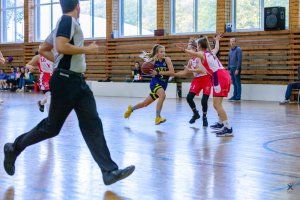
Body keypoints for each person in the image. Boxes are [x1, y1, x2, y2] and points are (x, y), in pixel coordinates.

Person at [3, 0, 135, 186]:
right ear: (78, 7)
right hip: (65, 81)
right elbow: (62, 46)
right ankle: (13, 148)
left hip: (77, 81)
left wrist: (58, 59)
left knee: (92, 123)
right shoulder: (67, 21)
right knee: (51, 128)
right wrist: (86, 49)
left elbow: (43, 49)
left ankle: (109, 171)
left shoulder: (63, 24)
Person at [178, 34, 233, 137]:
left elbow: (193, 53)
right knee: (217, 104)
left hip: (219, 77)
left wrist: (185, 50)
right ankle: (221, 124)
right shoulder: (211, 52)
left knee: (217, 105)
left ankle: (228, 128)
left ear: (199, 46)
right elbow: (217, 47)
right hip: (223, 75)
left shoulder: (203, 54)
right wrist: (217, 40)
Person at [124, 44, 175, 125]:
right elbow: (148, 71)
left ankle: (131, 109)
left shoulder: (167, 60)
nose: (163, 53)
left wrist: (157, 72)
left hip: (163, 85)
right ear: (157, 53)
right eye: (161, 52)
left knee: (145, 104)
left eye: (164, 52)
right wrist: (150, 72)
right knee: (163, 95)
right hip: (155, 83)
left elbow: (172, 73)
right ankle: (158, 117)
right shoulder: (153, 62)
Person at [174, 38, 211, 127]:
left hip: (206, 78)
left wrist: (190, 69)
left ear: (195, 49)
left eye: (189, 48)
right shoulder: (191, 60)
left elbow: (201, 70)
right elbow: (185, 72)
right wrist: (173, 74)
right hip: (197, 80)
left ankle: (204, 117)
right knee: (189, 97)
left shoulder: (200, 57)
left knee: (204, 100)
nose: (187, 50)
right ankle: (196, 114)